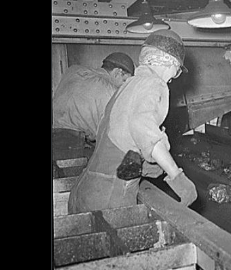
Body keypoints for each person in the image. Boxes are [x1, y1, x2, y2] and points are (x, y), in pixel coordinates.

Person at [68, 29, 197, 214]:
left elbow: (118, 137)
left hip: (86, 191)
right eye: (176, 71)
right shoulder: (155, 84)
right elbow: (142, 128)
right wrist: (176, 176)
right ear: (169, 61)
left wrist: (142, 165)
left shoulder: (128, 85)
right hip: (110, 198)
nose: (172, 78)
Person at [53, 52, 135, 145]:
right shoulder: (109, 91)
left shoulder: (73, 70)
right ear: (117, 72)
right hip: (75, 146)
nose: (122, 88)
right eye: (124, 81)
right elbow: (116, 135)